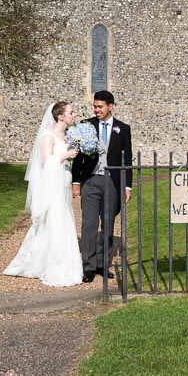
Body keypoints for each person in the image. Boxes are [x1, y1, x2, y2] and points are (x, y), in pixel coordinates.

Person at [3, 102, 84, 286]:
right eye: (71, 112)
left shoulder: (67, 136)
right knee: (54, 220)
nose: (75, 115)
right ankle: (53, 265)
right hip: (52, 186)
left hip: (63, 181)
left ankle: (67, 262)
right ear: (61, 116)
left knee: (64, 218)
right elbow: (46, 163)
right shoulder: (47, 137)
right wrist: (66, 156)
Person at [71, 90, 133, 283]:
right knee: (89, 224)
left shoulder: (123, 129)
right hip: (90, 180)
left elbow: (127, 159)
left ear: (110, 106)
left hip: (112, 182)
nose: (96, 110)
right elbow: (78, 155)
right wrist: (75, 181)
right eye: (95, 107)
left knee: (108, 223)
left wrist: (127, 186)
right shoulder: (85, 126)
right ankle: (88, 267)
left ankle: (101, 264)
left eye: (100, 107)